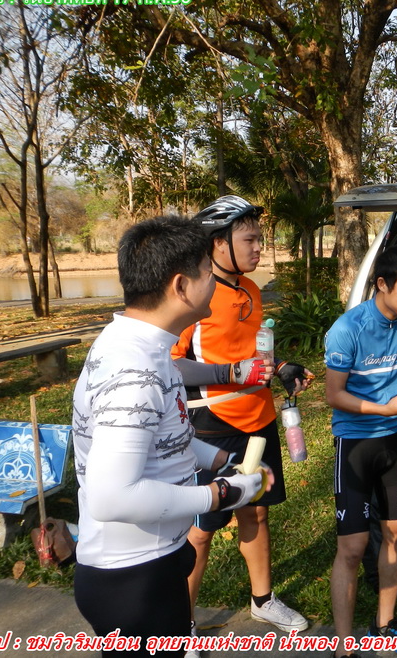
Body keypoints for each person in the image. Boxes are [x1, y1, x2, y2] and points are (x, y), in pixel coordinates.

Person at [73, 215, 268, 657]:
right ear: (181, 286)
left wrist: (222, 462)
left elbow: (164, 435)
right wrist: (219, 495)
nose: (215, 283)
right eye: (207, 272)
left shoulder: (148, 348)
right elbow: (112, 497)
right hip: (133, 579)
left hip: (157, 559)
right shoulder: (133, 369)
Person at [170, 196, 312, 651]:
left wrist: (282, 367)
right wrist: (231, 373)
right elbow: (169, 365)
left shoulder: (250, 288)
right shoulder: (193, 292)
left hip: (260, 418)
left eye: (259, 239)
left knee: (256, 510)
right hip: (213, 423)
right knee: (202, 528)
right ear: (218, 243)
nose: (259, 248)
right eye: (249, 239)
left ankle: (263, 600)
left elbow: (254, 352)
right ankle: (181, 626)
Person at [324, 244, 397, 658]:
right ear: (383, 284)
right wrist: (382, 408)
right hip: (354, 442)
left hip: (396, 441)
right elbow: (334, 395)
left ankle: (384, 624)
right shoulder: (347, 329)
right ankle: (343, 645)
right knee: (352, 548)